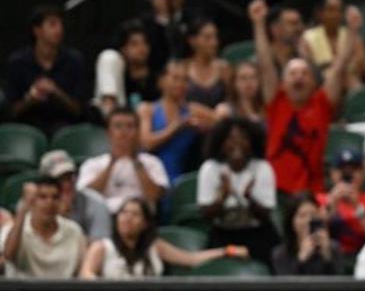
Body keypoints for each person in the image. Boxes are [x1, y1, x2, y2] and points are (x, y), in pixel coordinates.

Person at [250, 0, 359, 197]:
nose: (299, 78)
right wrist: (258, 24)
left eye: (304, 73)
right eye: (292, 73)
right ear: (283, 82)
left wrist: (352, 30)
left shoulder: (321, 103)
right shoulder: (277, 100)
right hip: (275, 192)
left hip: (312, 193)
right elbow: (266, 65)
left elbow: (339, 65)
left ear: (313, 82)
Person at [81, 197, 246, 278]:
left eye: (135, 214)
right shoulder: (102, 247)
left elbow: (191, 259)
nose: (127, 218)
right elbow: (86, 274)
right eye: (123, 213)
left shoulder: (155, 247)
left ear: (145, 223)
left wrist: (227, 250)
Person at [197, 116, 278, 266]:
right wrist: (222, 197)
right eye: (231, 139)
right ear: (220, 143)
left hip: (256, 233)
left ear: (252, 142)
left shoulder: (262, 168)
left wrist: (249, 198)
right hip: (222, 233)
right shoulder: (210, 168)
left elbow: (266, 216)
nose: (237, 144)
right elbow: (205, 215)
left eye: (243, 138)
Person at [5, 4, 87, 137]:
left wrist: (56, 92)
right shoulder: (18, 62)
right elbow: (11, 112)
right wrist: (30, 99)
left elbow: (79, 110)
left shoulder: (74, 60)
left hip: (64, 126)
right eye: (52, 24)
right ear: (37, 30)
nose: (59, 29)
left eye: (61, 24)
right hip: (27, 128)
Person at [78, 108, 169, 214]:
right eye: (118, 126)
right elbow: (87, 196)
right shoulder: (93, 164)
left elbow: (155, 196)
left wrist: (136, 161)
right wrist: (111, 163)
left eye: (130, 126)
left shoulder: (152, 162)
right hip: (105, 218)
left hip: (140, 219)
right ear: (108, 132)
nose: (124, 132)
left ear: (138, 132)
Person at [139, 61, 216, 184]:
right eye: (175, 78)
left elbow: (223, 122)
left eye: (185, 80)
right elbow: (147, 143)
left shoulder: (193, 110)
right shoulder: (147, 109)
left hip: (179, 178)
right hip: (149, 177)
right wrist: (178, 126)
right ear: (161, 81)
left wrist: (207, 129)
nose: (180, 84)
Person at [1, 176, 87, 278]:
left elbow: (81, 270)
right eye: (42, 197)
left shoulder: (74, 231)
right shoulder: (14, 230)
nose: (49, 202)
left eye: (55, 197)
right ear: (32, 201)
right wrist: (24, 208)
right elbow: (8, 255)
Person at [36, 150, 110, 242]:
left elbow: (103, 245)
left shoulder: (96, 203)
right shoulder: (31, 204)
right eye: (60, 179)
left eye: (69, 178)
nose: (67, 185)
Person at [301, 0, 365, 90]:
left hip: (350, 85)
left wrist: (328, 65)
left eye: (339, 10)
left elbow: (364, 68)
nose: (335, 14)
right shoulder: (307, 38)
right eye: (330, 10)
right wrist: (344, 67)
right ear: (320, 13)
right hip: (320, 88)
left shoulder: (352, 35)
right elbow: (309, 71)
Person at [94, 19, 158, 119]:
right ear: (123, 49)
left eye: (145, 43)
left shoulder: (157, 78)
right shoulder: (119, 75)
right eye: (134, 44)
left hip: (149, 126)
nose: (142, 48)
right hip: (119, 121)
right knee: (108, 57)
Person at [271, 192, 344, 275]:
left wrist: (327, 256)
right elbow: (284, 286)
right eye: (302, 215)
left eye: (313, 214)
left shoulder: (333, 248)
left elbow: (339, 284)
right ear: (291, 221)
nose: (308, 220)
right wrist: (301, 259)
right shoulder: (280, 254)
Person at [181, 17, 230, 110]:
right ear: (192, 41)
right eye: (208, 38)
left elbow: (232, 103)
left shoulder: (224, 68)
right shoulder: (183, 68)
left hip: (220, 122)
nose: (214, 43)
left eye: (215, 37)